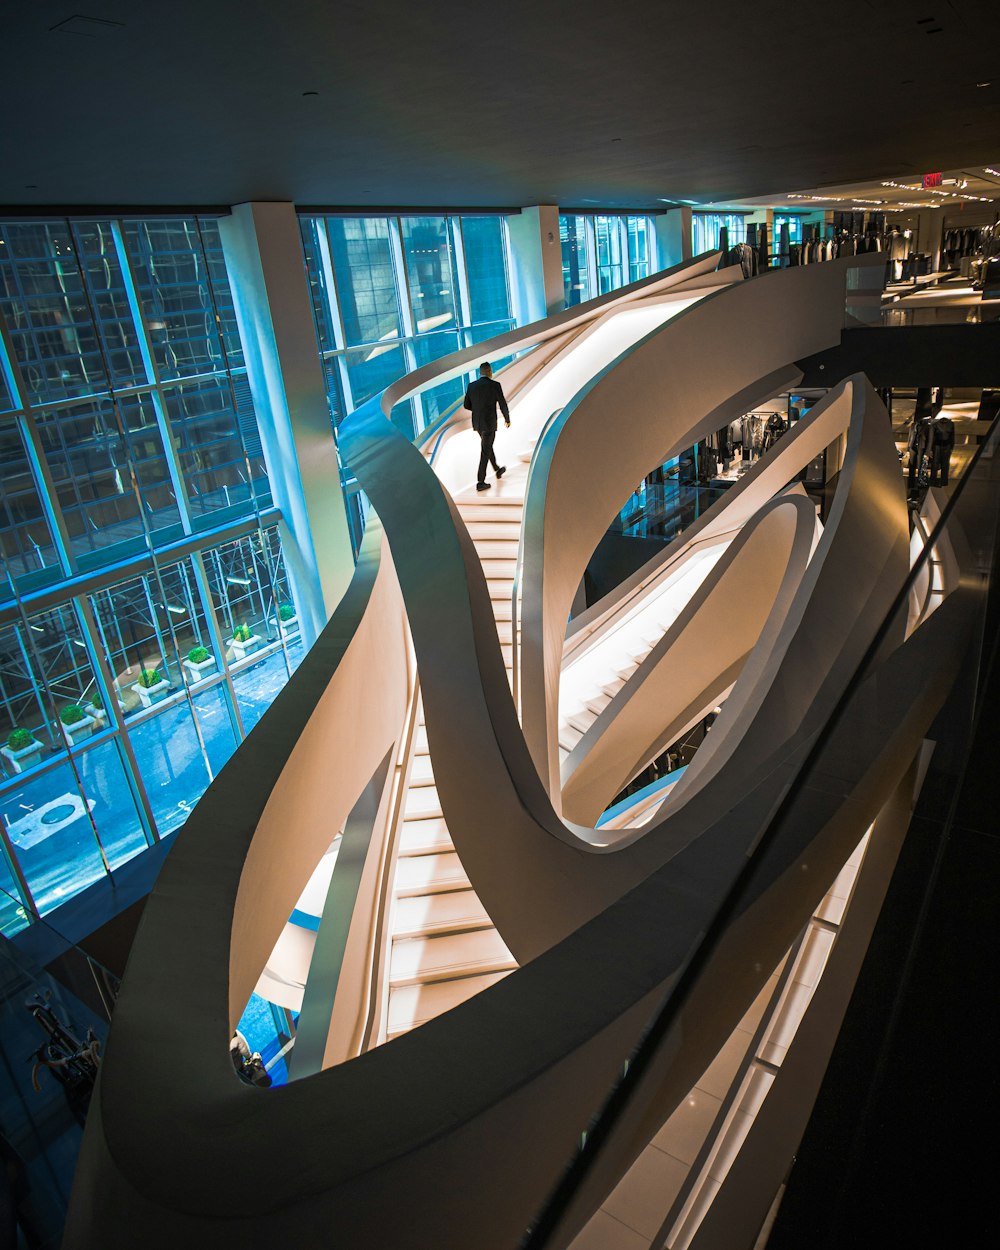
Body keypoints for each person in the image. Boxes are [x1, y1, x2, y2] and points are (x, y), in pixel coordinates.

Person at [463, 361, 509, 492]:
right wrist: (507, 418)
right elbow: (502, 403)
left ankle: (497, 469)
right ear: (489, 371)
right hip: (489, 423)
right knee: (485, 450)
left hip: (478, 423)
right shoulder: (495, 385)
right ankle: (480, 482)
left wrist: (478, 410)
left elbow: (466, 405)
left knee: (487, 446)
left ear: (480, 372)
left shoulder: (472, 386)